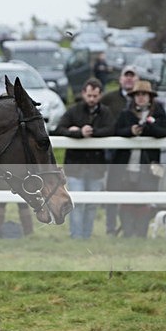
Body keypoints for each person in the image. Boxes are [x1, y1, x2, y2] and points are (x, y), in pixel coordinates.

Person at [52, 78, 115, 239]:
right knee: (77, 203)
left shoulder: (105, 112)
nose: (91, 99)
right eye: (89, 95)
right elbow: (59, 129)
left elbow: (111, 130)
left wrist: (93, 132)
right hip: (75, 166)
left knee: (92, 204)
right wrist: (78, 133)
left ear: (100, 95)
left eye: (95, 96)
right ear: (83, 94)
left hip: (96, 166)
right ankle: (76, 235)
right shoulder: (74, 111)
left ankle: (86, 235)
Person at [109, 80, 166, 238]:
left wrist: (149, 128)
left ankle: (141, 233)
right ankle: (128, 233)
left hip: (148, 165)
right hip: (127, 165)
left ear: (150, 97)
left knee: (145, 199)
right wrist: (131, 131)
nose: (141, 98)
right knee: (126, 199)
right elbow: (117, 130)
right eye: (137, 95)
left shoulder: (158, 113)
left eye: (144, 94)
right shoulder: (126, 113)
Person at [100, 65, 139, 235]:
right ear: (120, 79)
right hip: (114, 155)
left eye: (132, 76)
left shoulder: (142, 99)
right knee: (112, 191)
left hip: (137, 156)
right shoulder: (109, 98)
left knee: (134, 192)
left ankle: (130, 229)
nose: (129, 79)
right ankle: (110, 227)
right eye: (126, 76)